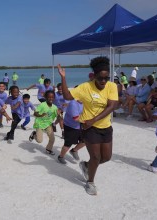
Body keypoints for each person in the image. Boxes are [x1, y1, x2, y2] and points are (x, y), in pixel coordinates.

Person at [58, 56, 118, 196]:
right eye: (100, 78)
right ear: (94, 76)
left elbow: (112, 106)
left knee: (107, 157)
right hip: (88, 128)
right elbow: (67, 96)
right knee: (96, 157)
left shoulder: (112, 86)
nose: (103, 81)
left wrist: (95, 119)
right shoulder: (85, 87)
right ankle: (90, 182)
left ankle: (86, 166)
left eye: (106, 78)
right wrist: (63, 78)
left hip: (105, 126)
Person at [28, 90, 59, 155]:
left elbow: (59, 117)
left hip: (48, 124)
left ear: (54, 98)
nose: (51, 99)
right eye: (49, 97)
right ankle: (34, 134)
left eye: (52, 97)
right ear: (45, 97)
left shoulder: (55, 107)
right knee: (39, 141)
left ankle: (48, 149)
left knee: (52, 138)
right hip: (39, 124)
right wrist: (41, 115)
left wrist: (59, 115)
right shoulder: (42, 105)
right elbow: (35, 113)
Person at [57, 99, 86, 164]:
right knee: (68, 144)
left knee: (85, 140)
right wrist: (88, 122)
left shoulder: (85, 101)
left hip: (80, 125)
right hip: (70, 126)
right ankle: (61, 157)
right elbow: (76, 118)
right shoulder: (73, 104)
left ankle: (74, 151)